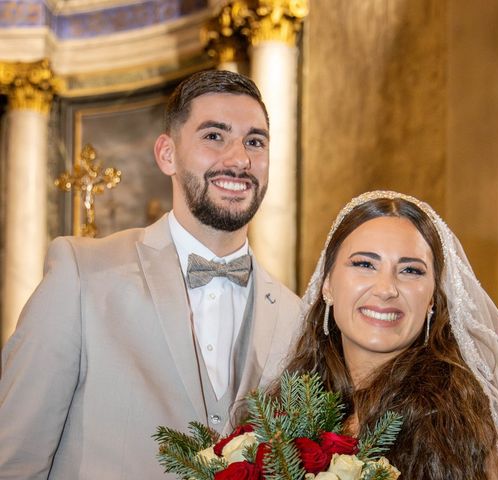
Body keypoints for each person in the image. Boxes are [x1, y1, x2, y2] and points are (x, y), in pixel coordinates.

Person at [0, 70, 302, 479]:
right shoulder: (83, 275)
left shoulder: (296, 317)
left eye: (255, 141)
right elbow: (14, 458)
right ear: (167, 154)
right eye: (214, 136)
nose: (239, 159)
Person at [285, 191, 498, 479]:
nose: (386, 289)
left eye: (410, 270)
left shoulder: (465, 429)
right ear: (328, 284)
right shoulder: (287, 417)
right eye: (364, 264)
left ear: (432, 298)